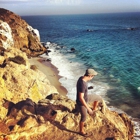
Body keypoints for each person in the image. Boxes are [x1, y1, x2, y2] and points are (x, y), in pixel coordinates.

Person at [76, 68, 98, 136]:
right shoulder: (83, 84)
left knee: (98, 98)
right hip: (81, 102)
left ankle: (95, 108)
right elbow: (81, 98)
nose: (93, 77)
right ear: (90, 75)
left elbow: (80, 88)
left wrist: (87, 89)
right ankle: (81, 131)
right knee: (84, 117)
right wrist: (88, 108)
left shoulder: (81, 78)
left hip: (86, 97)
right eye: (93, 76)